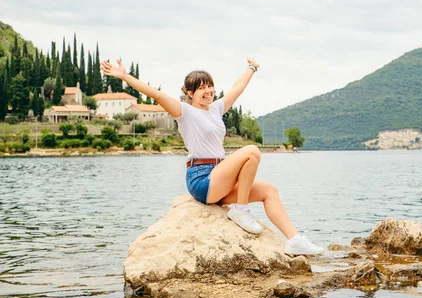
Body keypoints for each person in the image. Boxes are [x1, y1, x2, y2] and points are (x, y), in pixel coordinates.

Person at [100, 57, 324, 256]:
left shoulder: (216, 109)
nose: (208, 91)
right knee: (252, 151)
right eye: (201, 88)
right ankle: (241, 210)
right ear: (190, 93)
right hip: (202, 180)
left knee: (269, 191)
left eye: (210, 86)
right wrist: (125, 76)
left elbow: (237, 88)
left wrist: (251, 68)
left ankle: (294, 241)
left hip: (221, 178)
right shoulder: (184, 112)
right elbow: (155, 93)